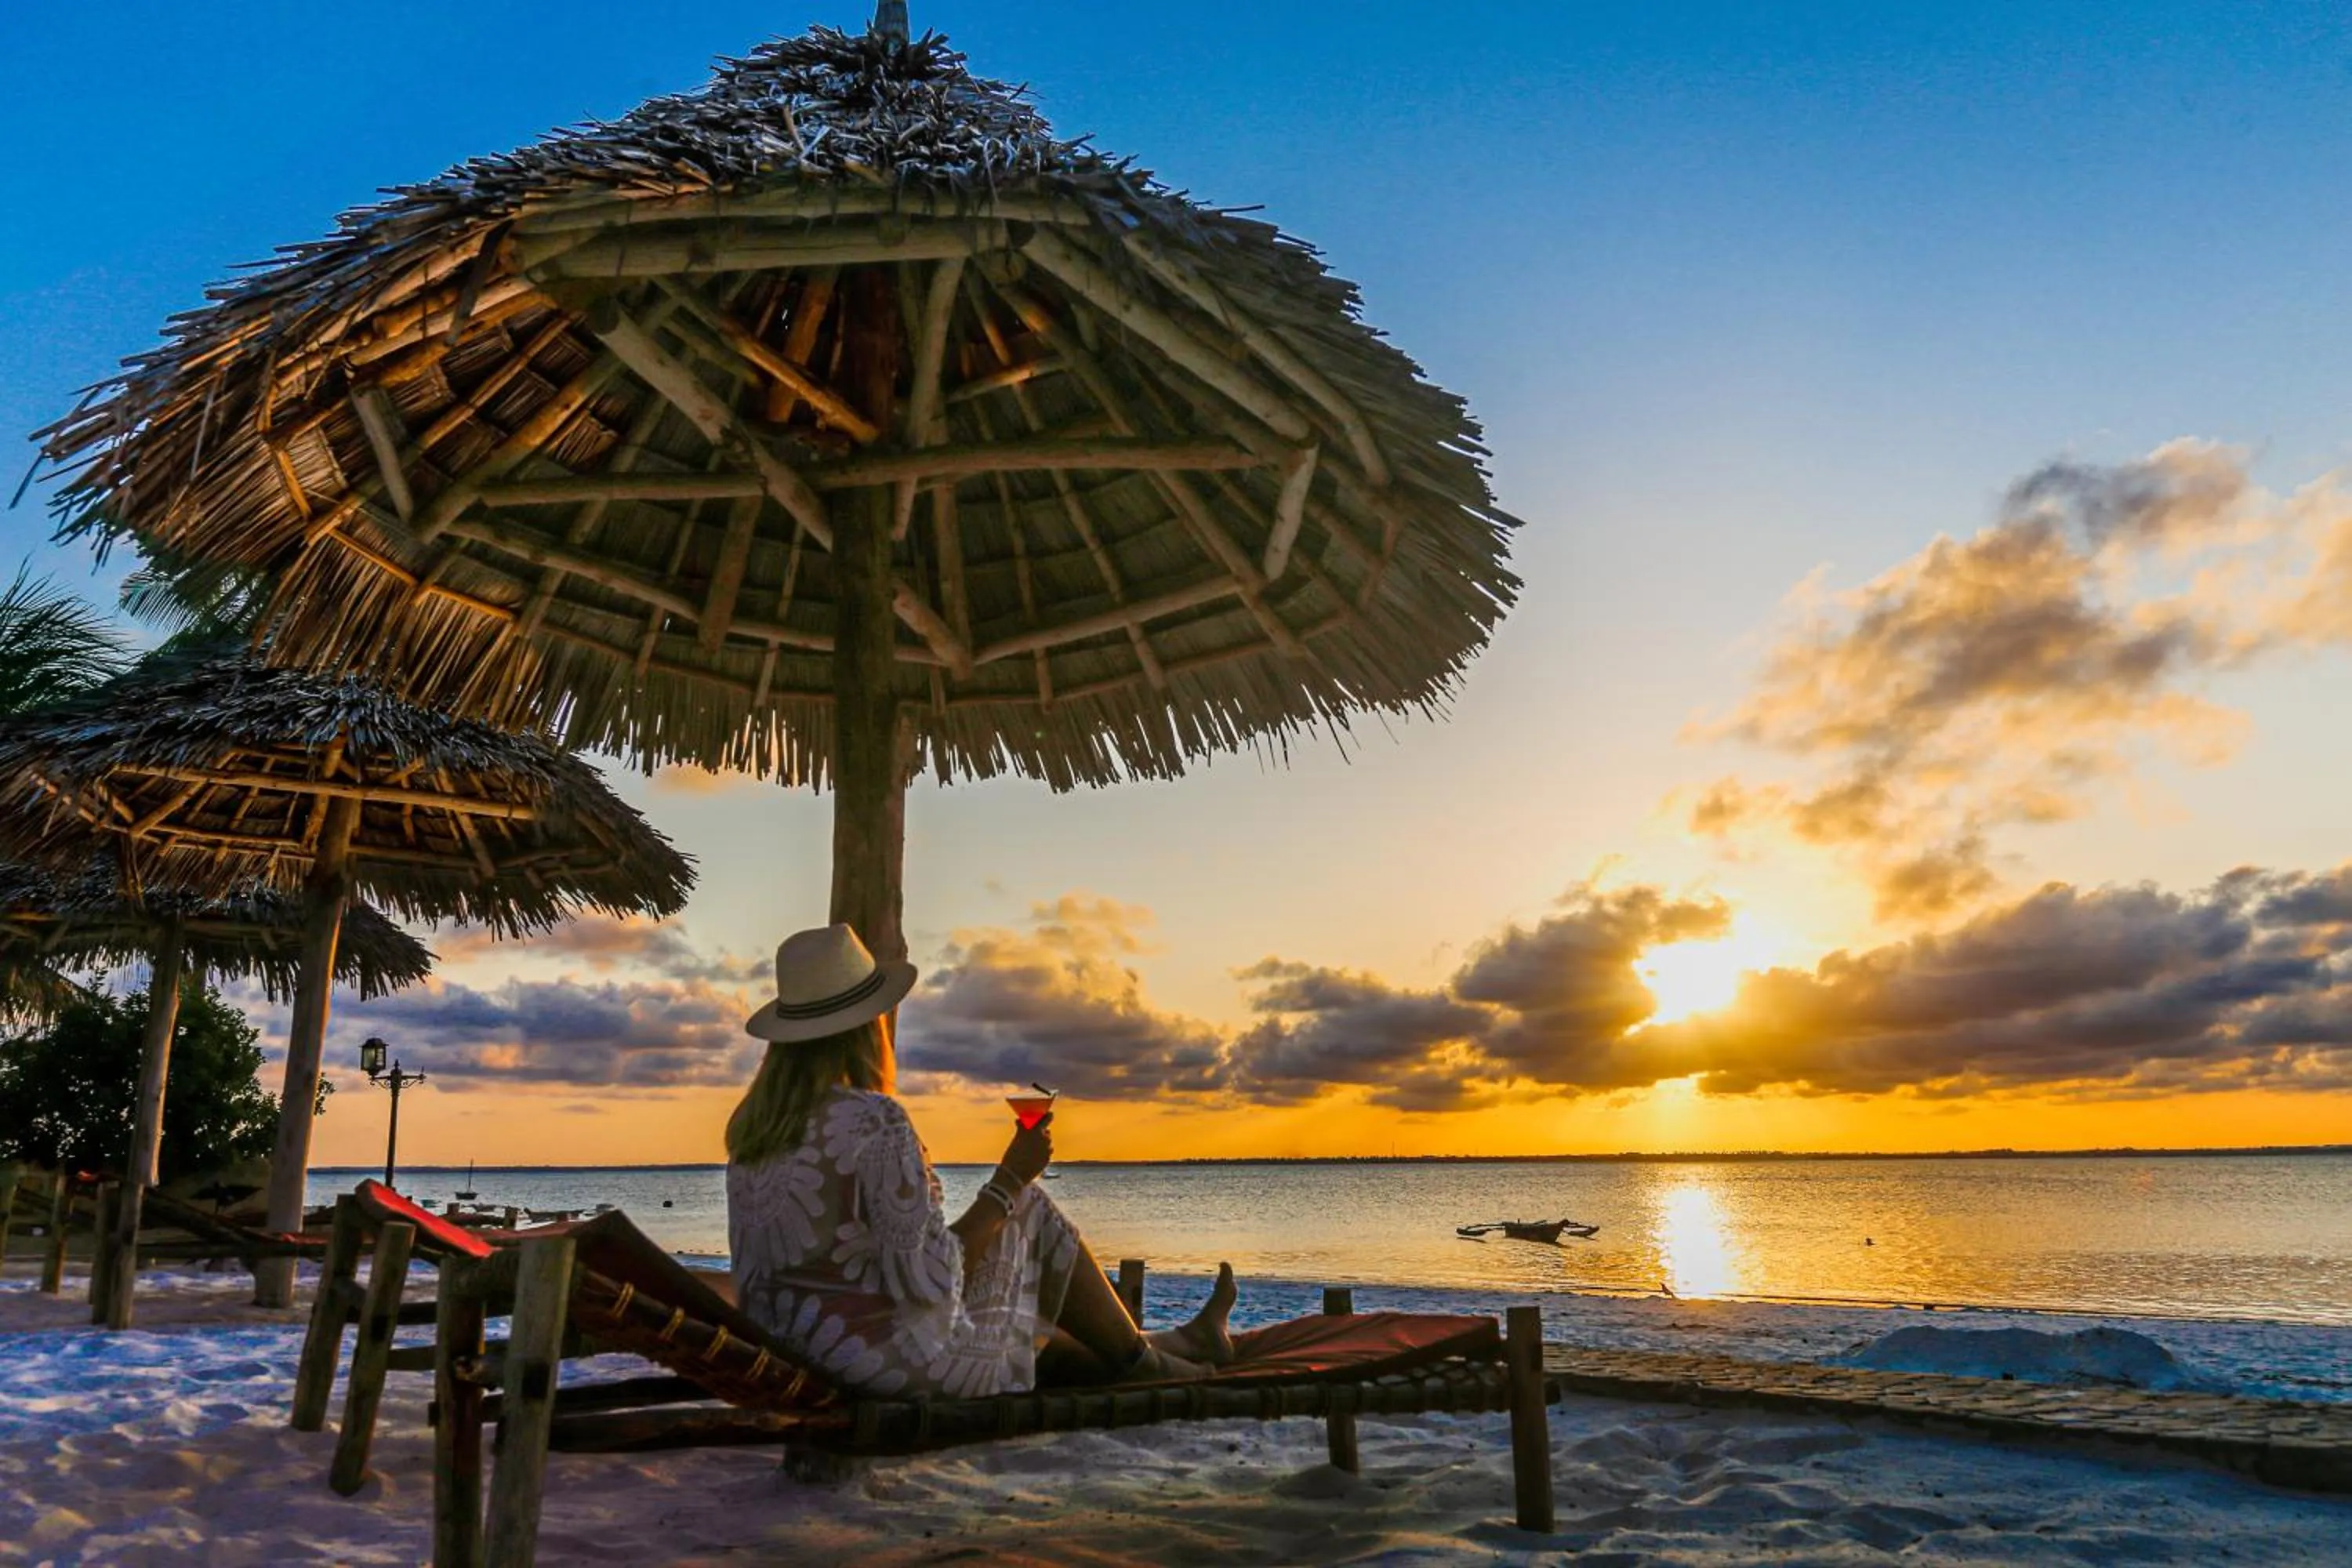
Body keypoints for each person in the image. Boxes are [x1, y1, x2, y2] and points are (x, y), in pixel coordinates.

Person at [725, 923, 1240, 1399]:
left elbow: (850, 1273)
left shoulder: (754, 1132)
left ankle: (1177, 1343)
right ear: (867, 1026)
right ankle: (1146, 1365)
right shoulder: (871, 1121)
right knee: (1028, 1207)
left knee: (1016, 1293)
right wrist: (1010, 1179)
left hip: (796, 1356)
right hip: (881, 1371)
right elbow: (931, 1283)